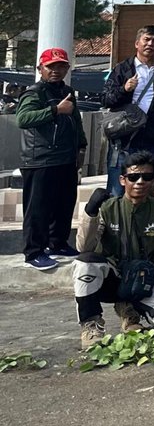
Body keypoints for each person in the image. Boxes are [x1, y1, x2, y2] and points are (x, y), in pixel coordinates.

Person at [73, 151, 154, 347]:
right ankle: (91, 324)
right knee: (85, 263)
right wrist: (90, 213)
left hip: (143, 280)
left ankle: (129, 310)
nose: (139, 182)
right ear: (122, 180)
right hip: (109, 279)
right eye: (133, 177)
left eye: (146, 177)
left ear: (153, 180)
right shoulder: (107, 208)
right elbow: (84, 247)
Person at [17, 47, 87, 269]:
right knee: (37, 209)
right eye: (51, 66)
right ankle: (33, 251)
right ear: (40, 69)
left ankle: (57, 243)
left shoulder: (67, 91)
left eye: (61, 66)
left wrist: (81, 147)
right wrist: (55, 110)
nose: (56, 70)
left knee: (64, 204)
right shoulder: (34, 92)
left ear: (67, 68)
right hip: (40, 159)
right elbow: (23, 118)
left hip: (65, 158)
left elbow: (76, 120)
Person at [101, 24, 154, 194]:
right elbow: (106, 99)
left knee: (153, 189)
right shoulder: (121, 69)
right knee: (118, 188)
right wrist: (125, 89)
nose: (150, 44)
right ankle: (117, 220)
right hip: (125, 138)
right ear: (137, 43)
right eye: (146, 39)